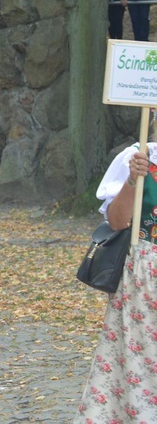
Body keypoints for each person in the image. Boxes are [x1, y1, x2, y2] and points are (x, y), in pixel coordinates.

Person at [75, 142, 157, 422]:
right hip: (146, 278)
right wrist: (133, 179)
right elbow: (117, 221)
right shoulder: (139, 156)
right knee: (141, 367)